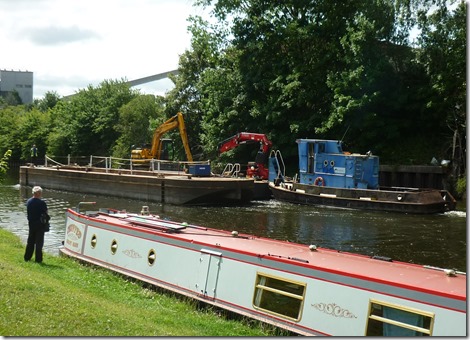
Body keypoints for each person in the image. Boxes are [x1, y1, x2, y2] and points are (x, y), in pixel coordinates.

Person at [24, 186, 48, 263]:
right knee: (39, 243)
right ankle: (38, 259)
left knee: (30, 241)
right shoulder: (42, 203)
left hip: (31, 224)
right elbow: (46, 213)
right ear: (39, 193)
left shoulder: (29, 201)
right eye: (40, 193)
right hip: (40, 225)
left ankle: (27, 257)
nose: (41, 194)